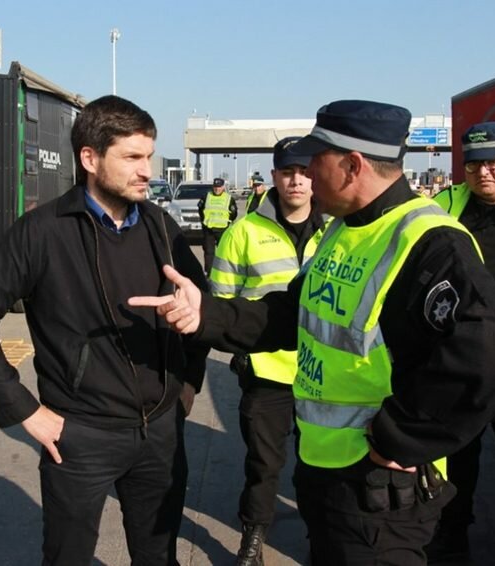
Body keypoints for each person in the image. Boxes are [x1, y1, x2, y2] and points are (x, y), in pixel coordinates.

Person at [129, 99, 495, 566]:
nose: (305, 177)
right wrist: (208, 316)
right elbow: (291, 314)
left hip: (379, 491)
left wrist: (400, 437)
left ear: (352, 165)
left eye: (315, 162)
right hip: (327, 472)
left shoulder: (429, 240)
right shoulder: (344, 229)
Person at [0, 94, 209, 566]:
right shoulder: (42, 231)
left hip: (161, 433)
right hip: (80, 436)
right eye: (132, 157)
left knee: (158, 557)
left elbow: (200, 308)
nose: (147, 169)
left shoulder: (160, 226)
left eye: (148, 155)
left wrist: (187, 386)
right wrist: (26, 410)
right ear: (90, 158)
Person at [210, 136, 325, 566]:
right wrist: (238, 353)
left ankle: (322, 537)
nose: (296, 180)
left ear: (314, 176)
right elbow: (220, 302)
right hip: (267, 373)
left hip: (324, 374)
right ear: (274, 176)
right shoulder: (243, 232)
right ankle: (253, 538)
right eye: (287, 172)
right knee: (264, 464)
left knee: (321, 467)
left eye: (304, 171)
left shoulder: (338, 231)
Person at [428, 121, 495, 565]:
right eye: (472, 165)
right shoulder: (442, 207)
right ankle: (451, 543)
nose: (481, 173)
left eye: (491, 162)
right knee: (454, 465)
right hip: (459, 361)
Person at [198, 177, 238, 274]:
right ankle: (209, 273)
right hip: (209, 229)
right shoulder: (206, 196)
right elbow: (200, 210)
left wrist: (227, 222)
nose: (217, 189)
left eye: (219, 187)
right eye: (215, 187)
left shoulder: (229, 198)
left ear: (223, 187)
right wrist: (204, 221)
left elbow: (234, 213)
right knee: (209, 253)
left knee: (224, 252)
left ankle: (223, 272)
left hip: (222, 230)